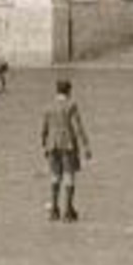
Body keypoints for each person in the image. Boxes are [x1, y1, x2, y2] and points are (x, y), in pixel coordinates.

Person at [40, 78, 92, 222]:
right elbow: (78, 126)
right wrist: (86, 145)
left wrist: (44, 144)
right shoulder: (71, 105)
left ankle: (54, 210)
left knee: (55, 176)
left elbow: (44, 128)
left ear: (57, 90)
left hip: (52, 144)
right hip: (68, 144)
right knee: (69, 175)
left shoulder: (48, 106)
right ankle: (68, 211)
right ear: (69, 90)